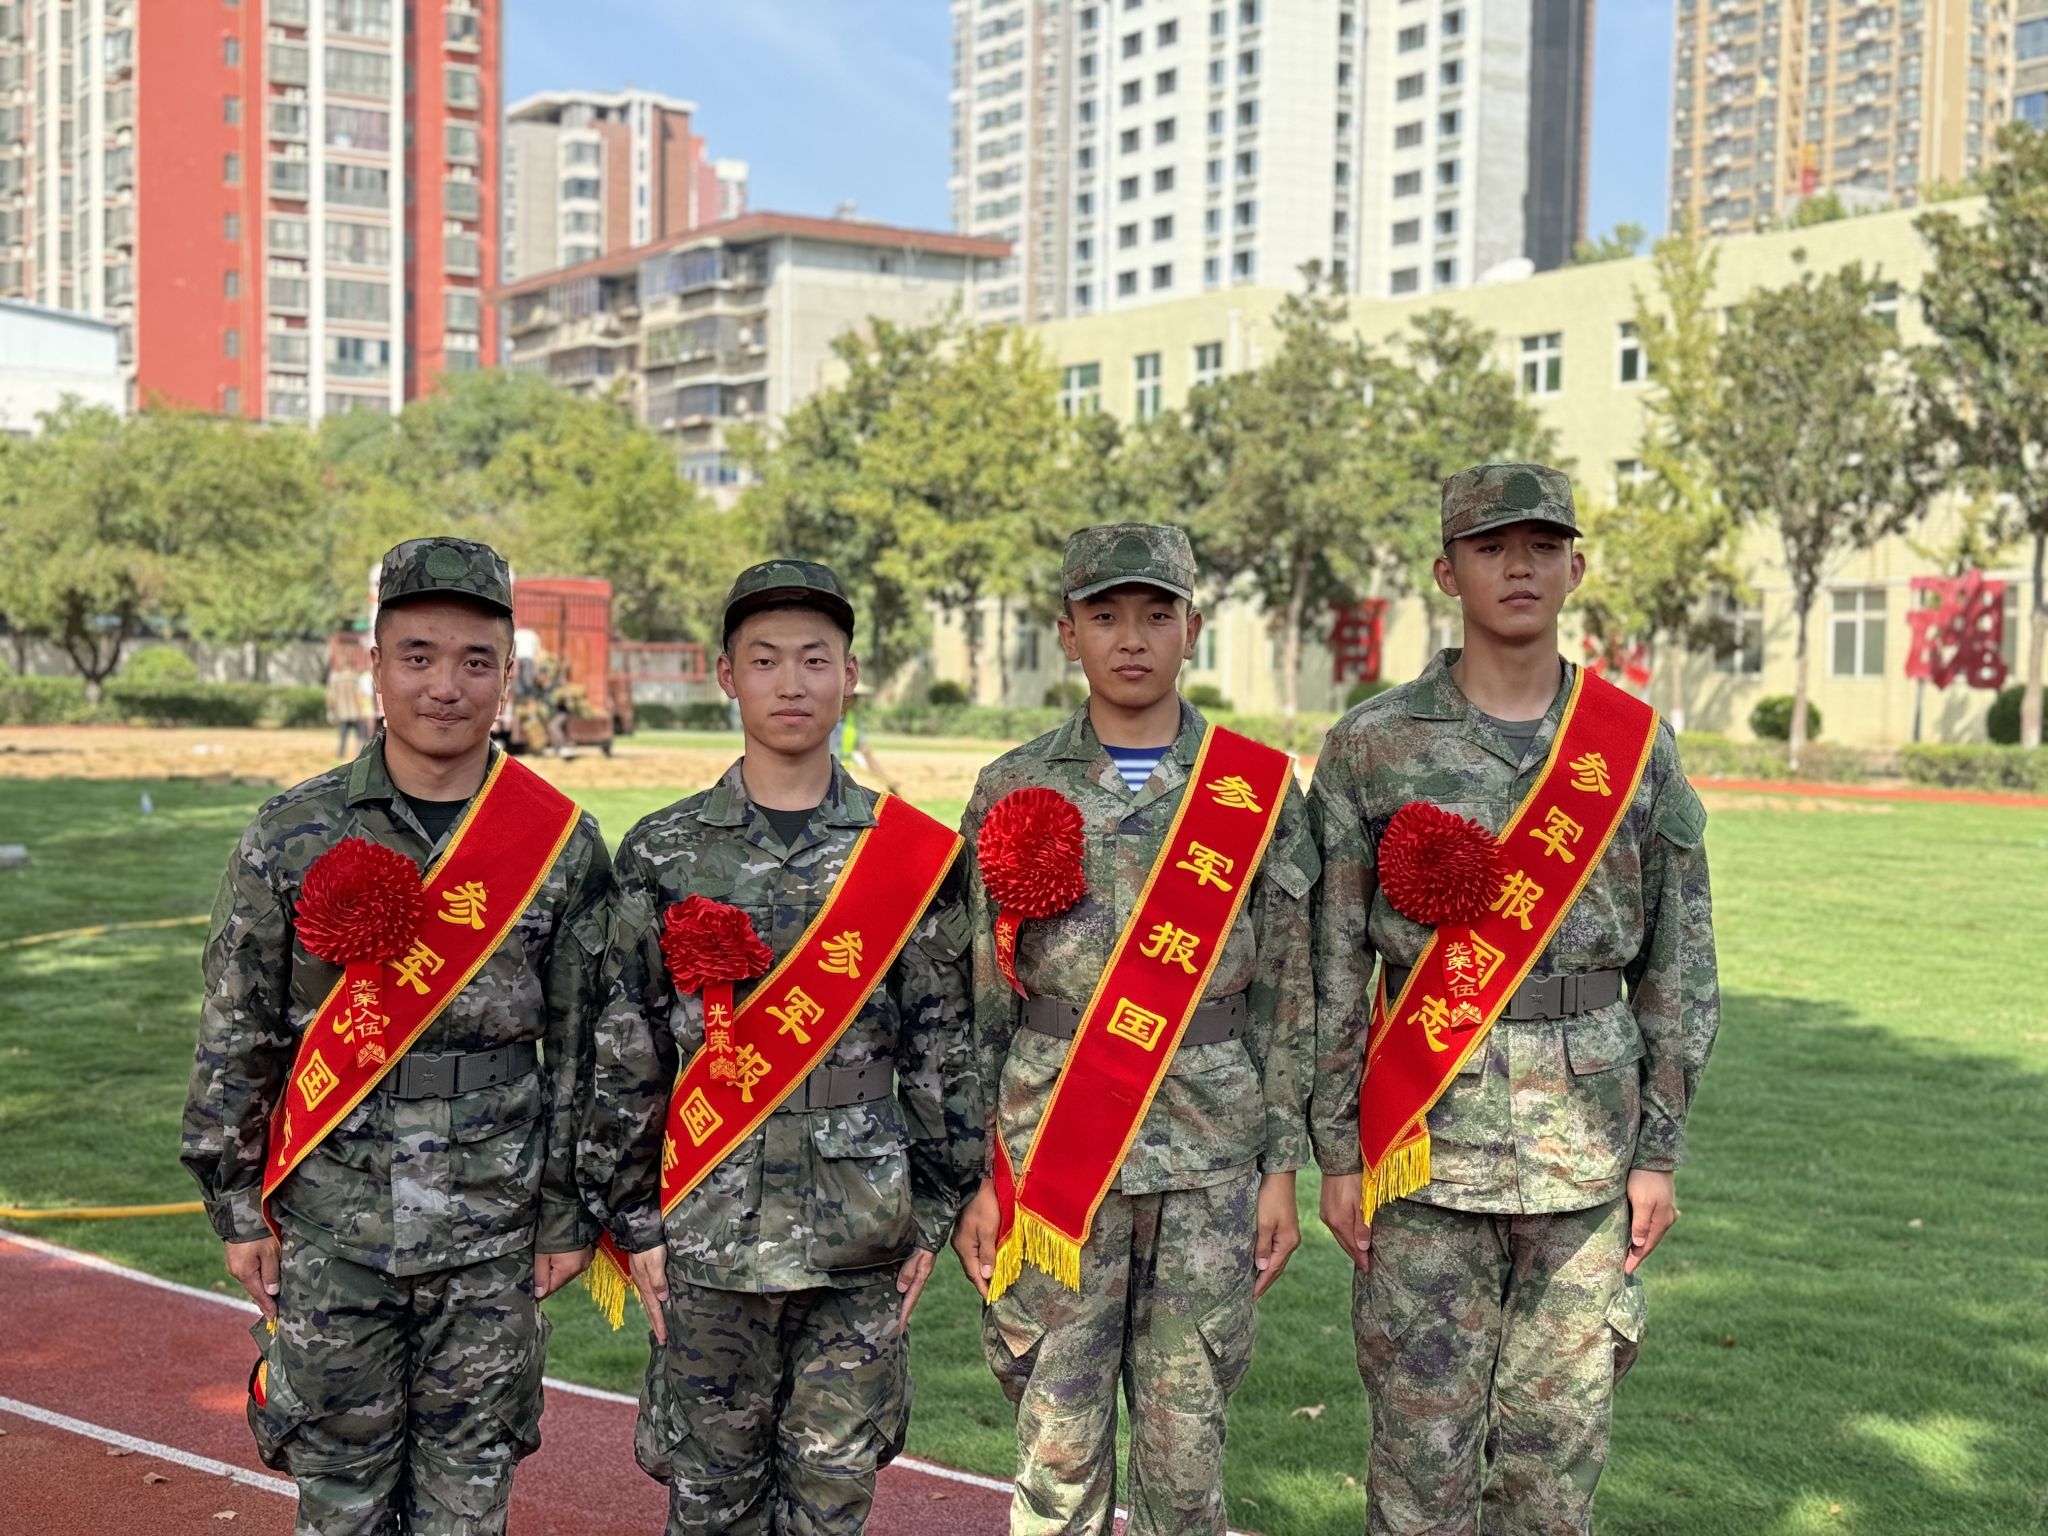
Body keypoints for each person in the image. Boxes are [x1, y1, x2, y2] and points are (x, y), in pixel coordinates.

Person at [1308, 464, 1719, 1534]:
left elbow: (1677, 964)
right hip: (1421, 1154)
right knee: (1418, 1473)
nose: (1519, 567)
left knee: (1551, 1482)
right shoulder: (1371, 745)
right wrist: (1337, 1153)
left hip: (1586, 1158)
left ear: (1576, 568)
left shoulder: (1632, 745)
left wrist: (1659, 1152)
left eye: (1542, 545)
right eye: (1491, 547)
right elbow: (1331, 968)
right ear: (1447, 572)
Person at [182, 536, 613, 1535]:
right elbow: (239, 1029)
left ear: (508, 676)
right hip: (334, 1225)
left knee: (469, 1502)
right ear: (373, 666)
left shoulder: (558, 844)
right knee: (340, 1498)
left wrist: (566, 1212)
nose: (445, 686)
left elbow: (586, 1053)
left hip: (493, 1231)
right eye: (417, 656)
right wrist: (236, 1202)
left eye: (474, 661)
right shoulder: (293, 834)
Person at [579, 558, 980, 1535]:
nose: (790, 682)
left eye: (814, 658)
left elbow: (944, 1051)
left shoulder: (908, 854)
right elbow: (626, 1051)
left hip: (861, 1239)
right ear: (727, 676)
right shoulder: (665, 851)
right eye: (764, 660)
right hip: (707, 1232)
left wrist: (932, 1215)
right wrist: (634, 1225)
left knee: (832, 1504)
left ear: (851, 675)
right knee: (709, 1502)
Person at [951, 524, 1320, 1535]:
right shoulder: (1013, 786)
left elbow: (1288, 994)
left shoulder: (1253, 790)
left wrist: (1281, 1169)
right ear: (1067, 632)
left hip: (1210, 1155)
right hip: (1050, 1151)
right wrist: (980, 1174)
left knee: (1185, 1463)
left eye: (1157, 614)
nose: (1131, 638)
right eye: (1105, 615)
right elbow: (978, 998)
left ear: (1191, 630)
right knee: (1055, 1455)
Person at [325, 646, 369, 759]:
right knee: (360, 736)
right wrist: (362, 710)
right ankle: (359, 755)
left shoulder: (336, 680)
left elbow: (331, 697)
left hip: (342, 713)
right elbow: (359, 696)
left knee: (342, 737)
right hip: (355, 713)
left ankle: (341, 756)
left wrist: (330, 711)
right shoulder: (356, 679)